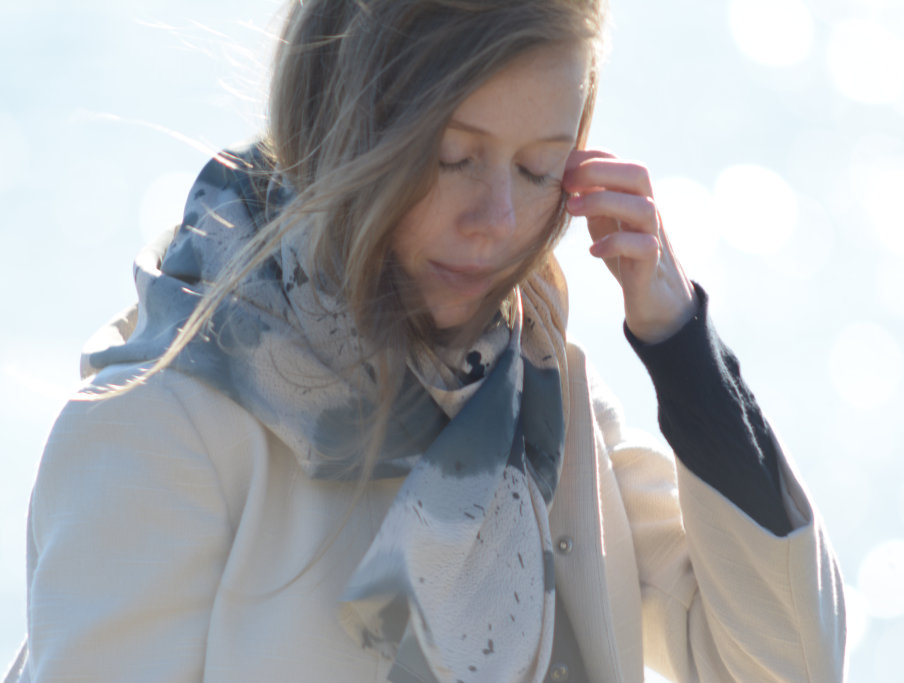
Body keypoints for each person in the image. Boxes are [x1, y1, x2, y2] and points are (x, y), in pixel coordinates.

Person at [6, 1, 846, 681]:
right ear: (337, 119)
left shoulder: (543, 397)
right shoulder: (158, 424)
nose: (498, 223)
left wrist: (680, 349)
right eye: (452, 157)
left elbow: (781, 668)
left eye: (537, 170)